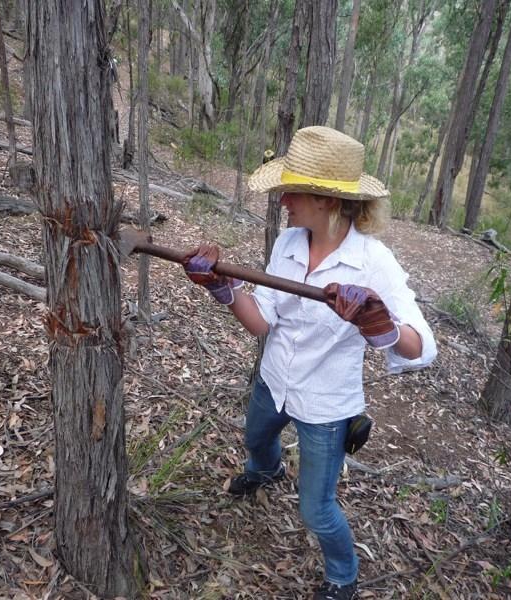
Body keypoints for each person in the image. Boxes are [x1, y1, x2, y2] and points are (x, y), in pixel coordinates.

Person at [182, 126, 437, 600]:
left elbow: (422, 346)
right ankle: (267, 470)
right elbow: (262, 323)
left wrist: (379, 325)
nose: (284, 200)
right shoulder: (289, 243)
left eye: (294, 189)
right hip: (275, 380)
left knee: (317, 509)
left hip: (325, 404)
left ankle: (343, 576)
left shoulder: (373, 262)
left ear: (328, 199)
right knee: (256, 439)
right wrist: (223, 288)